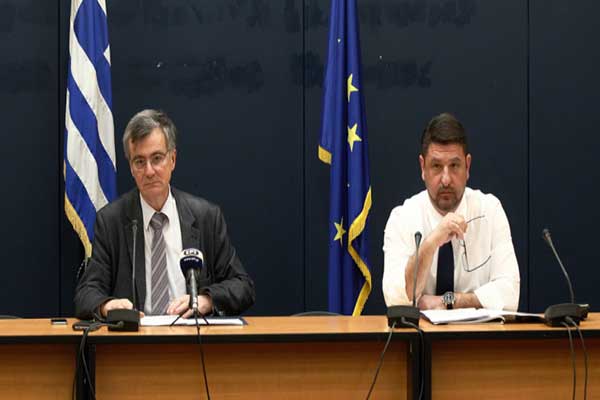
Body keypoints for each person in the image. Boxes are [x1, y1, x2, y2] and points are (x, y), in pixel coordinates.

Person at [74, 109, 255, 319]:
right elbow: (86, 294)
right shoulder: (111, 221)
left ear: (173, 159)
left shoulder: (206, 217)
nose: (149, 171)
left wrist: (205, 300)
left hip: (191, 335)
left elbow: (243, 286)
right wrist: (107, 305)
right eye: (139, 162)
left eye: (157, 158)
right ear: (131, 168)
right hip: (135, 337)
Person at [382, 113, 520, 311]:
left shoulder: (490, 211)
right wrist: (431, 243)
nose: (446, 179)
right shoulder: (402, 218)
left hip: (479, 330)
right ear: (423, 167)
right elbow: (396, 299)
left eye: (454, 166)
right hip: (419, 331)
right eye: (436, 166)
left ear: (467, 166)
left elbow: (510, 295)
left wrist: (450, 301)